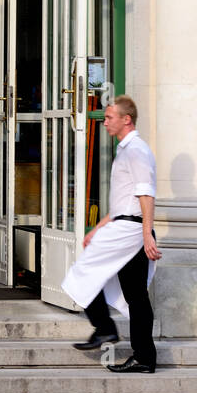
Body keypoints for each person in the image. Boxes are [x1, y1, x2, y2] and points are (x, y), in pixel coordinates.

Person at [62, 95, 161, 374]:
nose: (104, 122)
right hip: (127, 226)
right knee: (136, 296)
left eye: (109, 117)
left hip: (129, 231)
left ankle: (104, 328)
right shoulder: (127, 150)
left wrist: (146, 235)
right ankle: (143, 357)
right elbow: (123, 202)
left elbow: (145, 194)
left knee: (83, 272)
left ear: (125, 119)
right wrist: (98, 227)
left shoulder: (135, 150)